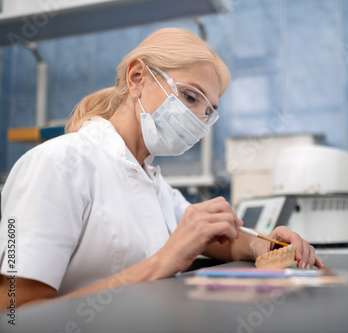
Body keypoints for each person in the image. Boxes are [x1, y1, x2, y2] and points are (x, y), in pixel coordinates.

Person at [0, 28, 323, 308]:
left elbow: (213, 238)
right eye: (190, 97)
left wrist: (264, 246)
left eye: (208, 110)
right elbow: (13, 310)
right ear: (137, 77)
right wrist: (162, 262)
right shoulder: (56, 164)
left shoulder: (151, 180)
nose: (199, 120)